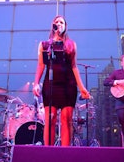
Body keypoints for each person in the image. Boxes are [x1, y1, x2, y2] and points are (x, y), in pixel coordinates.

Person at [33, 15, 90, 146]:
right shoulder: (44, 45)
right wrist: (36, 83)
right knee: (50, 119)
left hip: (68, 85)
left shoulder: (71, 44)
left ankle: (65, 154)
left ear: (65, 26)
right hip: (50, 84)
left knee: (66, 119)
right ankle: (49, 154)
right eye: (56, 22)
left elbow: (74, 66)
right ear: (52, 26)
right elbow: (41, 65)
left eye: (62, 22)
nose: (59, 24)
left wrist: (82, 88)